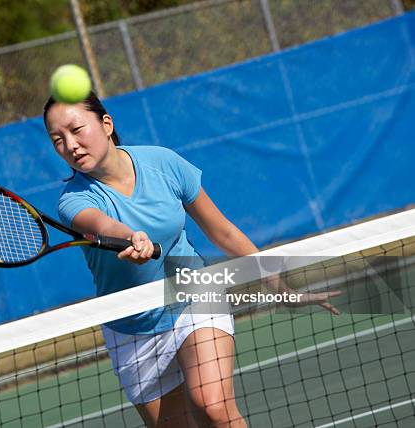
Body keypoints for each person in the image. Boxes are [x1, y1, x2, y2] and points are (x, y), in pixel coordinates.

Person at [43, 92, 340, 427]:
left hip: (192, 293)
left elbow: (223, 232)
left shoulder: (163, 164)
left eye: (76, 129)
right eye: (58, 139)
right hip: (131, 327)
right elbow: (101, 224)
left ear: (106, 124)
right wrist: (130, 236)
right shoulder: (72, 201)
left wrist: (279, 287)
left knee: (212, 406)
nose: (70, 144)